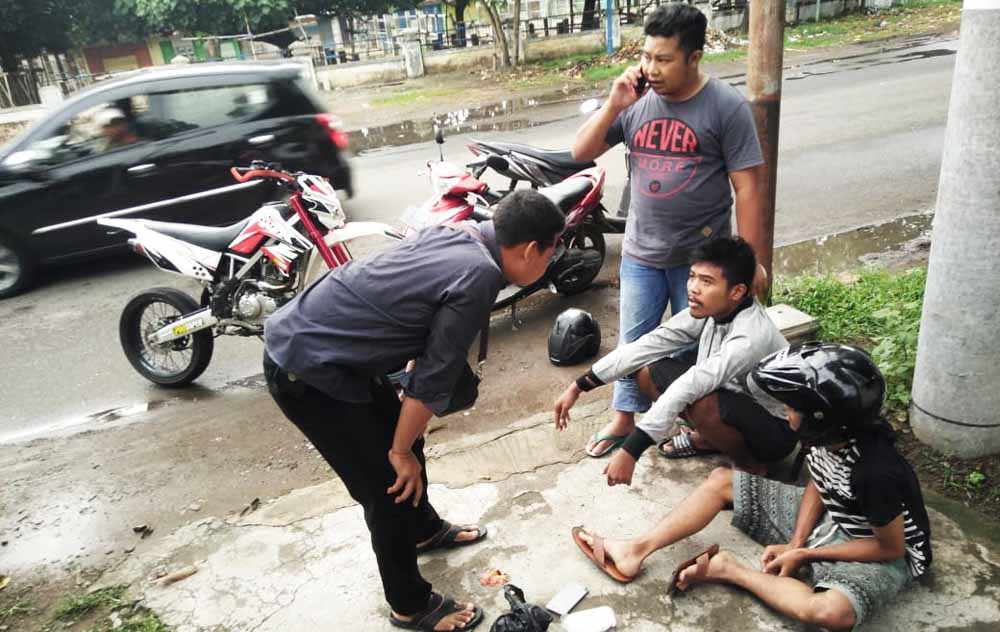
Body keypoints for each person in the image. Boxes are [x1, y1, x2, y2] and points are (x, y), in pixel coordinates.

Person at [263, 190, 565, 631]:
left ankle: (423, 529)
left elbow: (409, 304)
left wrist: (405, 443)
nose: (549, 264)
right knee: (388, 485)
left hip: (333, 349)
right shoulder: (480, 274)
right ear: (531, 249)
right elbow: (431, 380)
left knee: (407, 445)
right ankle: (410, 604)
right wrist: (399, 451)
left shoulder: (464, 233)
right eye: (551, 255)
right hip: (307, 369)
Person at [570, 343, 932, 631]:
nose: (786, 412)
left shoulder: (874, 472)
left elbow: (889, 546)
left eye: (792, 407)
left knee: (831, 613)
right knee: (721, 481)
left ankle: (728, 570)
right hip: (837, 518)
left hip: (881, 548)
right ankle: (634, 550)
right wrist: (796, 541)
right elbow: (820, 483)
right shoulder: (827, 437)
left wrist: (805, 555)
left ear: (821, 418)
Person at [571, 3, 767, 458]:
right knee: (634, 341)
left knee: (700, 352)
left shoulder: (726, 107)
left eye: (663, 59)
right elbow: (580, 152)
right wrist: (614, 104)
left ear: (694, 57)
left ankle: (697, 429)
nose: (651, 69)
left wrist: (750, 261)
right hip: (641, 251)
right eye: (646, 56)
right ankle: (624, 418)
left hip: (701, 261)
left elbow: (748, 187)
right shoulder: (634, 101)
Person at [554, 237, 797, 485]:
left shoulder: (750, 336)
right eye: (692, 277)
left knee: (701, 400)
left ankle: (750, 466)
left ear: (737, 291)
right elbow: (648, 344)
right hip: (736, 402)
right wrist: (579, 386)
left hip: (777, 430)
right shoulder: (713, 310)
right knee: (647, 373)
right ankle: (709, 439)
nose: (693, 288)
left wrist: (631, 450)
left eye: (706, 281)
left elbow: (692, 383)